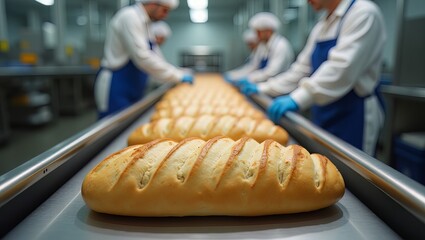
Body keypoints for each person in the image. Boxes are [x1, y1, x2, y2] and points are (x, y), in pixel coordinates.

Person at [241, 0, 386, 156]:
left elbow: (340, 69)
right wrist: (263, 88)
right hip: (322, 110)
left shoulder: (363, 13)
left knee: (355, 175)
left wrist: (297, 98)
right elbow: (301, 69)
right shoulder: (322, 25)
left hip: (353, 113)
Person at [94, 0, 193, 119]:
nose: (166, 15)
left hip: (133, 84)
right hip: (116, 85)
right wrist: (178, 76)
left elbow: (156, 57)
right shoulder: (130, 17)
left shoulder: (146, 24)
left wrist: (178, 72)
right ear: (152, 3)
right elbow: (142, 57)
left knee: (129, 125)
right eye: (164, 10)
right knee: (113, 128)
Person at [225, 12, 294, 85]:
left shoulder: (281, 45)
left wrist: (248, 79)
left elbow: (271, 72)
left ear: (268, 31)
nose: (256, 36)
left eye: (259, 32)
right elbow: (253, 66)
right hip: (265, 86)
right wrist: (234, 75)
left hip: (279, 87)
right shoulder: (263, 46)